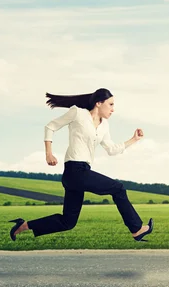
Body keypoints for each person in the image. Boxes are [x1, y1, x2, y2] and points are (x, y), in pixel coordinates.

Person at [8, 88, 153, 242]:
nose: (113, 109)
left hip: (81, 174)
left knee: (68, 222)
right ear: (98, 103)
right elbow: (50, 127)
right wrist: (48, 154)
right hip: (74, 170)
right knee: (118, 188)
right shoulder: (78, 113)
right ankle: (136, 229)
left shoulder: (104, 126)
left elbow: (111, 149)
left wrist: (133, 139)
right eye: (110, 104)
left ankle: (23, 226)